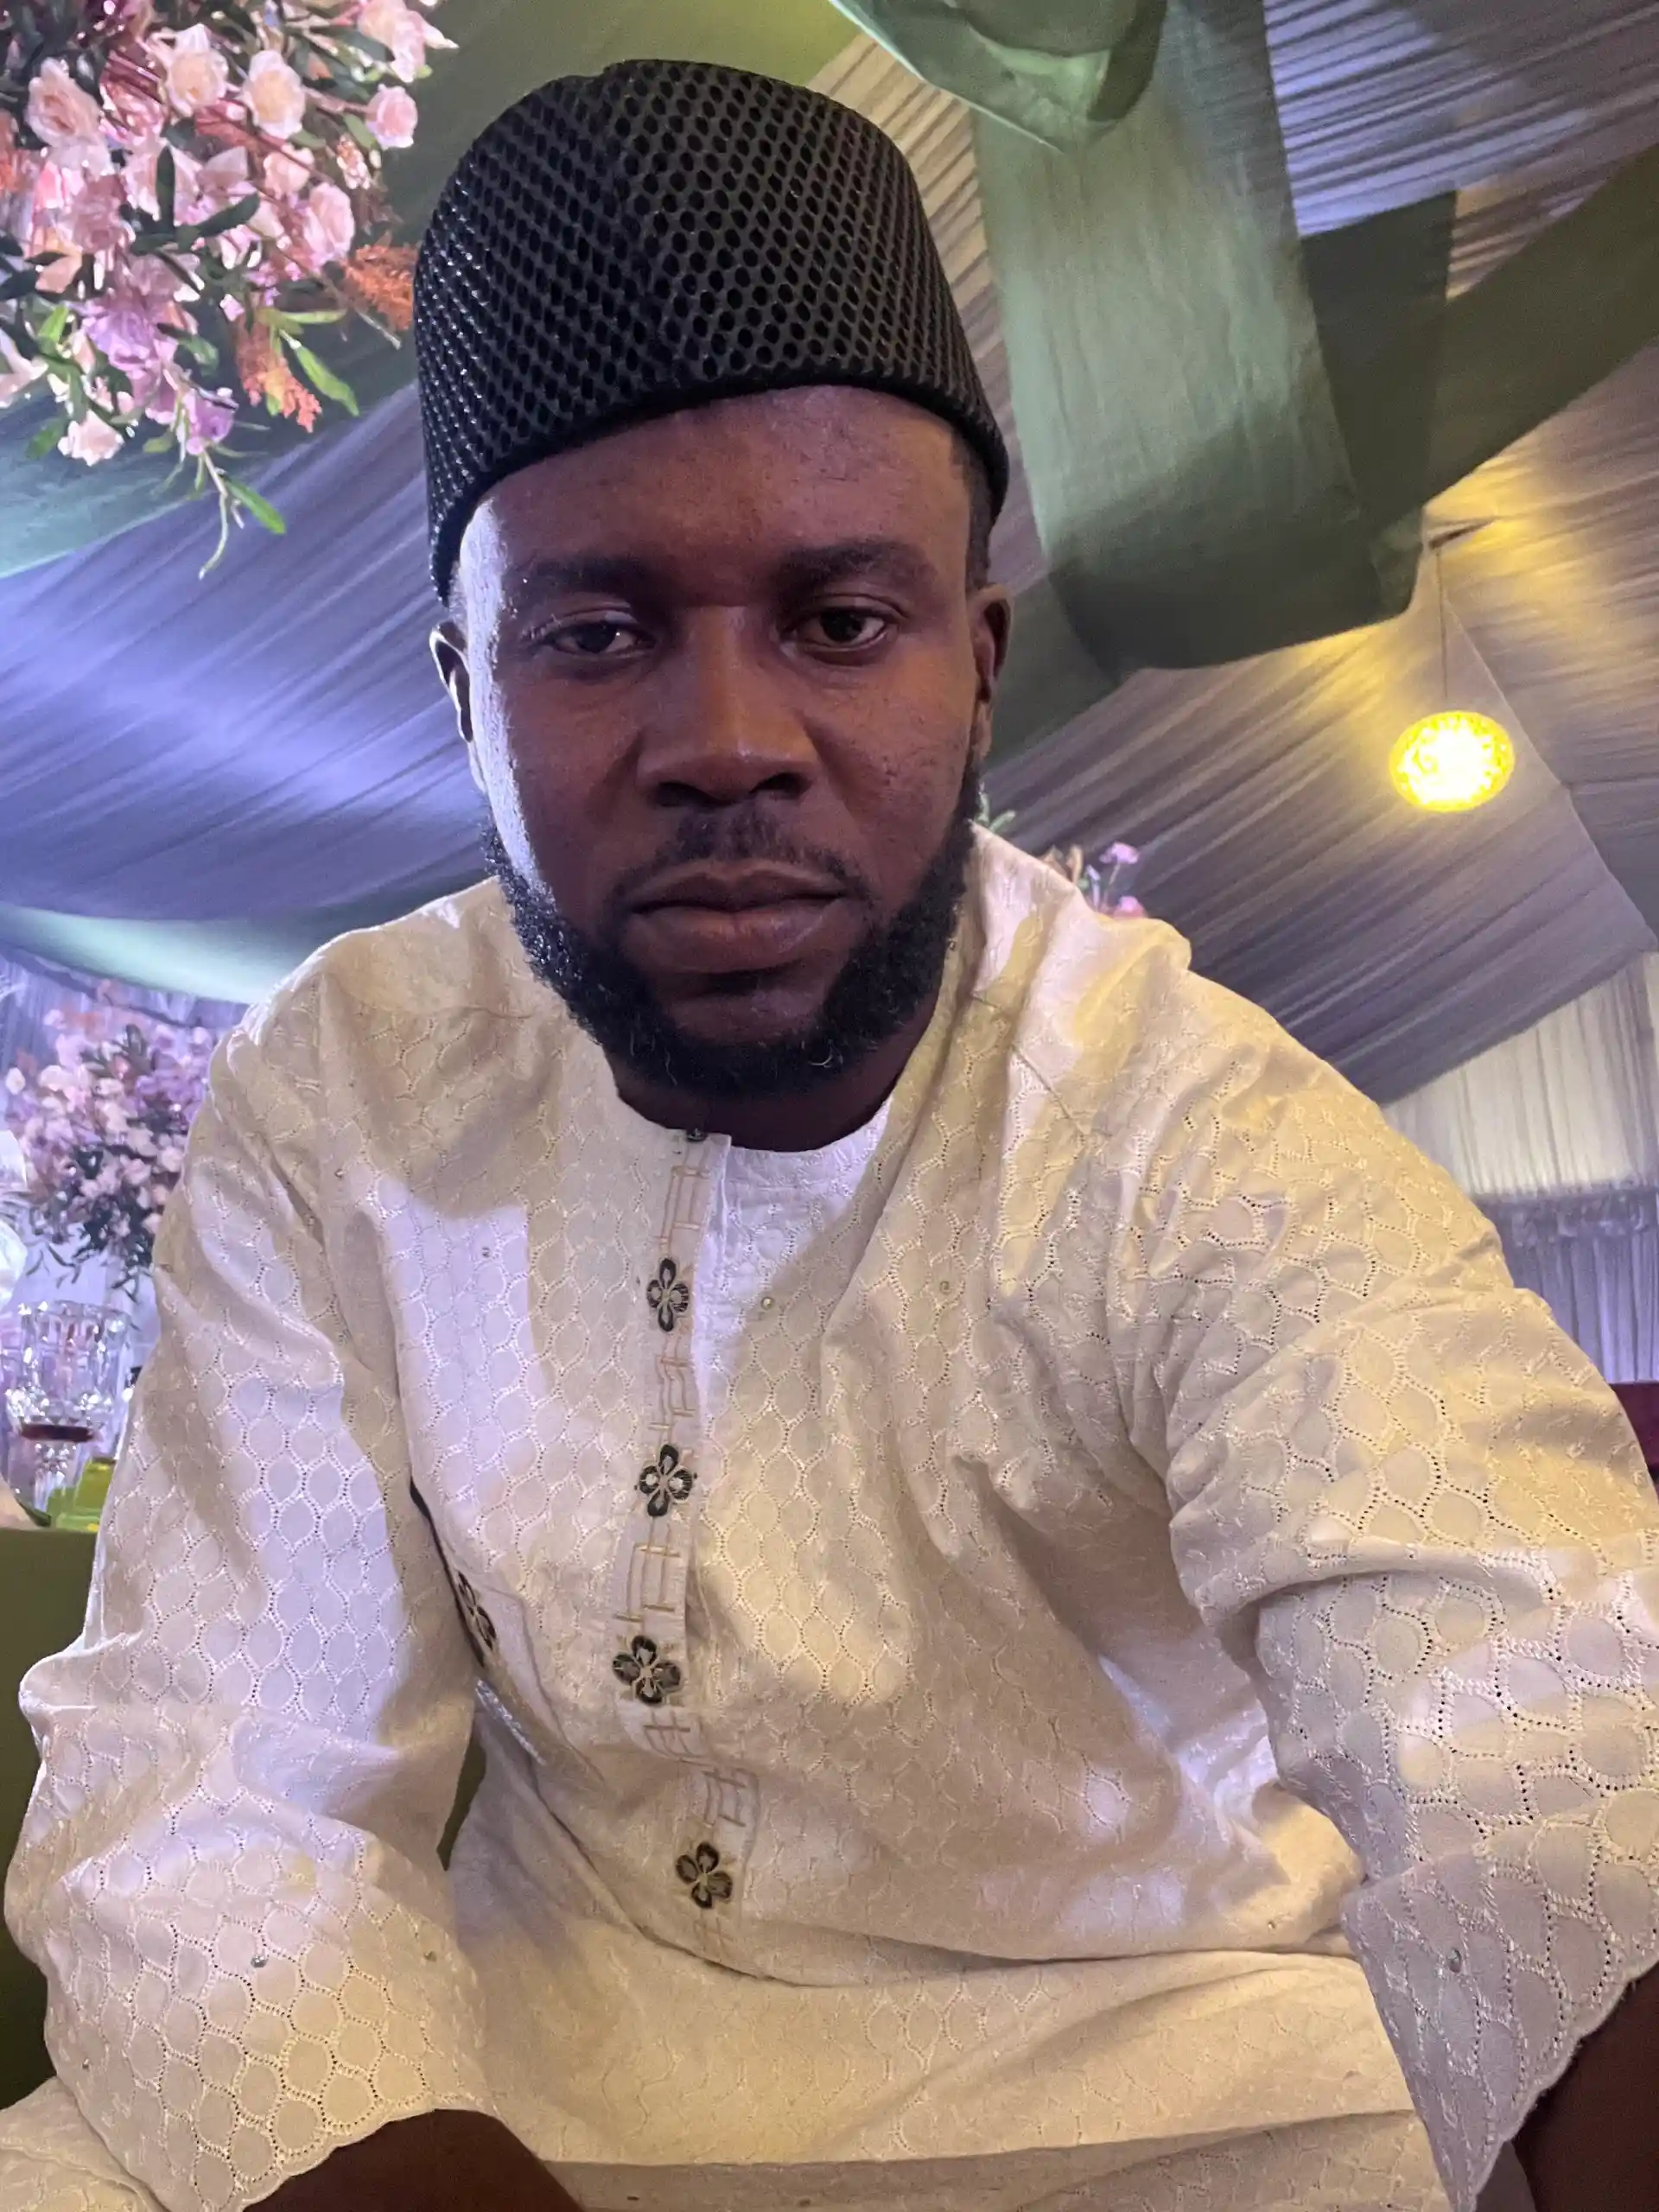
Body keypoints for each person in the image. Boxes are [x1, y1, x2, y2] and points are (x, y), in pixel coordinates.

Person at [2, 58, 1656, 2212]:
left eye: (840, 622)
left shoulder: (1199, 1131)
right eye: (595, 633)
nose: (727, 741)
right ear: (465, 692)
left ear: (975, 666)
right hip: (496, 2072)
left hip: (1177, 2091)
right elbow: (217, 1776)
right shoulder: (348, 1081)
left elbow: (1541, 1719)